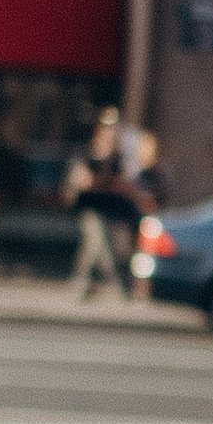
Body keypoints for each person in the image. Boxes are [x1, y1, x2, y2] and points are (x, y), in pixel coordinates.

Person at [63, 110, 137, 303]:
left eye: (113, 129)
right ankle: (113, 285)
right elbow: (82, 181)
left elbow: (124, 183)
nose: (109, 133)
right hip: (91, 208)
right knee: (97, 239)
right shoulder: (88, 154)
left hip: (110, 209)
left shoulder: (116, 159)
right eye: (106, 128)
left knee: (101, 245)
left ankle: (86, 282)